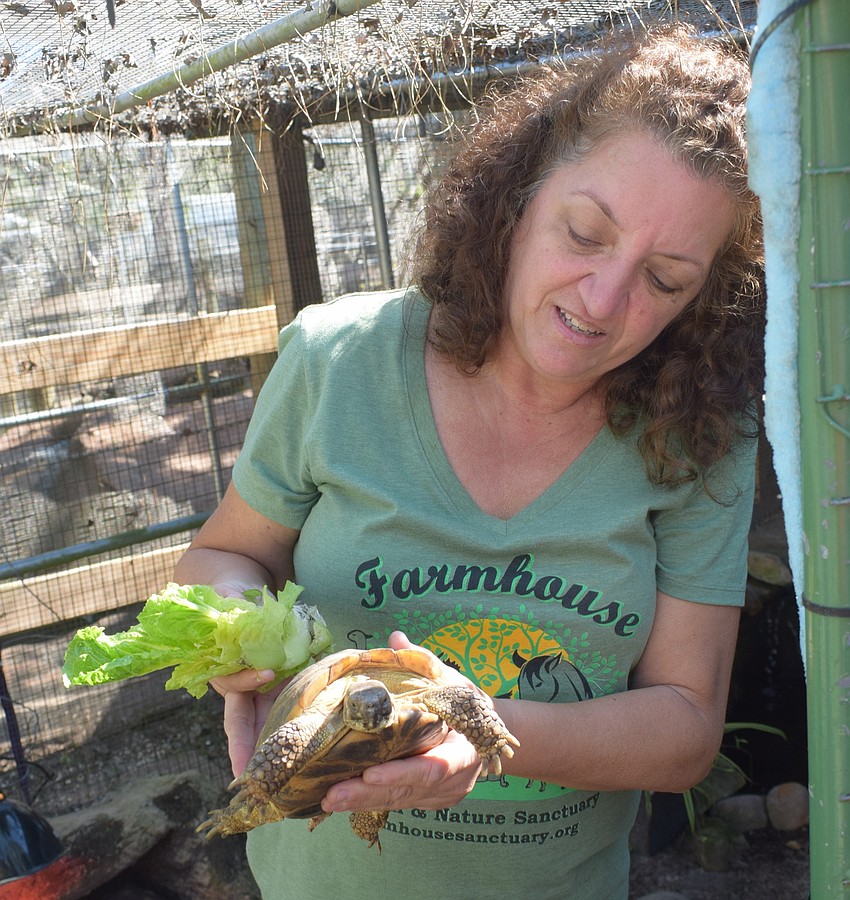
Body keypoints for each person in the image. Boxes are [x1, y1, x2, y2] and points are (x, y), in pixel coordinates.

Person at [174, 23, 764, 900]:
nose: (604, 299)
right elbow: (225, 554)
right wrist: (237, 631)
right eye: (585, 232)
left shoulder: (702, 436)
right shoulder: (337, 361)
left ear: (705, 298)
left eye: (667, 279)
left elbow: (683, 732)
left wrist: (473, 728)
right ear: (516, 195)